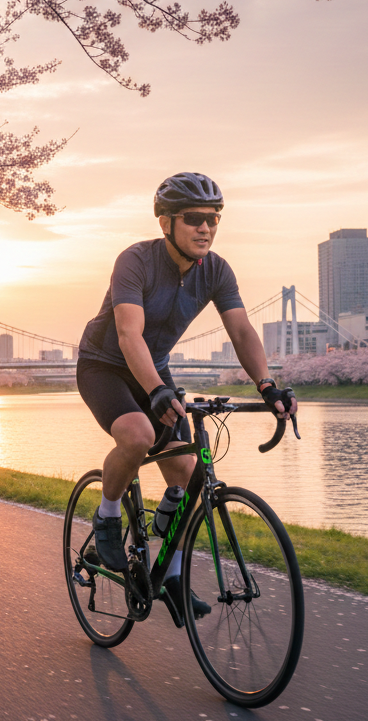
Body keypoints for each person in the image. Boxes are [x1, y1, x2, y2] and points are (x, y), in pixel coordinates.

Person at [76, 172, 297, 628]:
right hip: (105, 365)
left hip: (154, 370)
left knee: (190, 474)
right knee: (137, 436)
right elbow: (127, 333)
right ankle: (108, 515)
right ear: (165, 222)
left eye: (214, 219)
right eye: (195, 218)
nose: (206, 228)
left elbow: (240, 330)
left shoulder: (216, 270)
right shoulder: (135, 260)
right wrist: (156, 391)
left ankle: (173, 576)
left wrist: (266, 385)